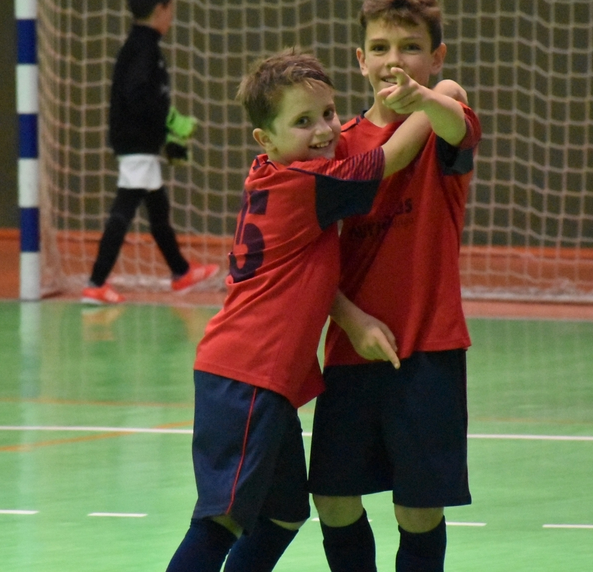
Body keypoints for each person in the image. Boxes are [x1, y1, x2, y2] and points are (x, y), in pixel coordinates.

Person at [165, 48, 468, 572]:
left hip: (267, 381)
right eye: (302, 122)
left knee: (283, 514)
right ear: (266, 139)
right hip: (247, 375)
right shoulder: (308, 183)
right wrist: (439, 98)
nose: (325, 130)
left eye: (328, 113)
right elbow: (391, 157)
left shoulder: (271, 174)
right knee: (219, 523)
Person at [307, 0, 483, 572]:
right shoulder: (335, 144)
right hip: (352, 349)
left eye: (410, 47)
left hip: (428, 347)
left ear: (436, 57)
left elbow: (456, 122)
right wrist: (350, 320)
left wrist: (436, 97)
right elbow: (305, 259)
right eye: (379, 47)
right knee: (332, 500)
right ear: (359, 60)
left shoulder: (441, 125)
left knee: (419, 511)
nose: (393, 60)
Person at [81, 0, 218, 305]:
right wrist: (171, 122)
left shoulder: (141, 45)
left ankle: (181, 272)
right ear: (161, 9)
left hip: (139, 141)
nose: (172, 16)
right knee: (125, 208)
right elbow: (139, 95)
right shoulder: (143, 48)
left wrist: (167, 135)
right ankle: (97, 282)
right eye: (171, 9)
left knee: (158, 209)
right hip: (135, 142)